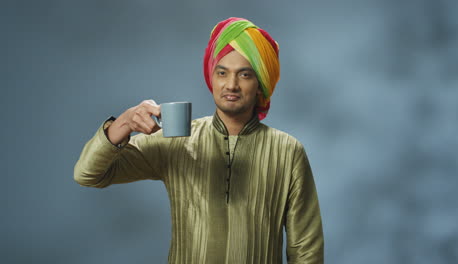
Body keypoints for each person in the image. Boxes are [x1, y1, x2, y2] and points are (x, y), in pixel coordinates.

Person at [74, 17, 324, 263]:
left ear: (260, 84)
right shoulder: (177, 140)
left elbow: (306, 249)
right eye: (222, 73)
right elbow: (88, 174)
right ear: (211, 78)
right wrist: (124, 123)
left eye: (245, 75)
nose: (231, 85)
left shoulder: (287, 151)